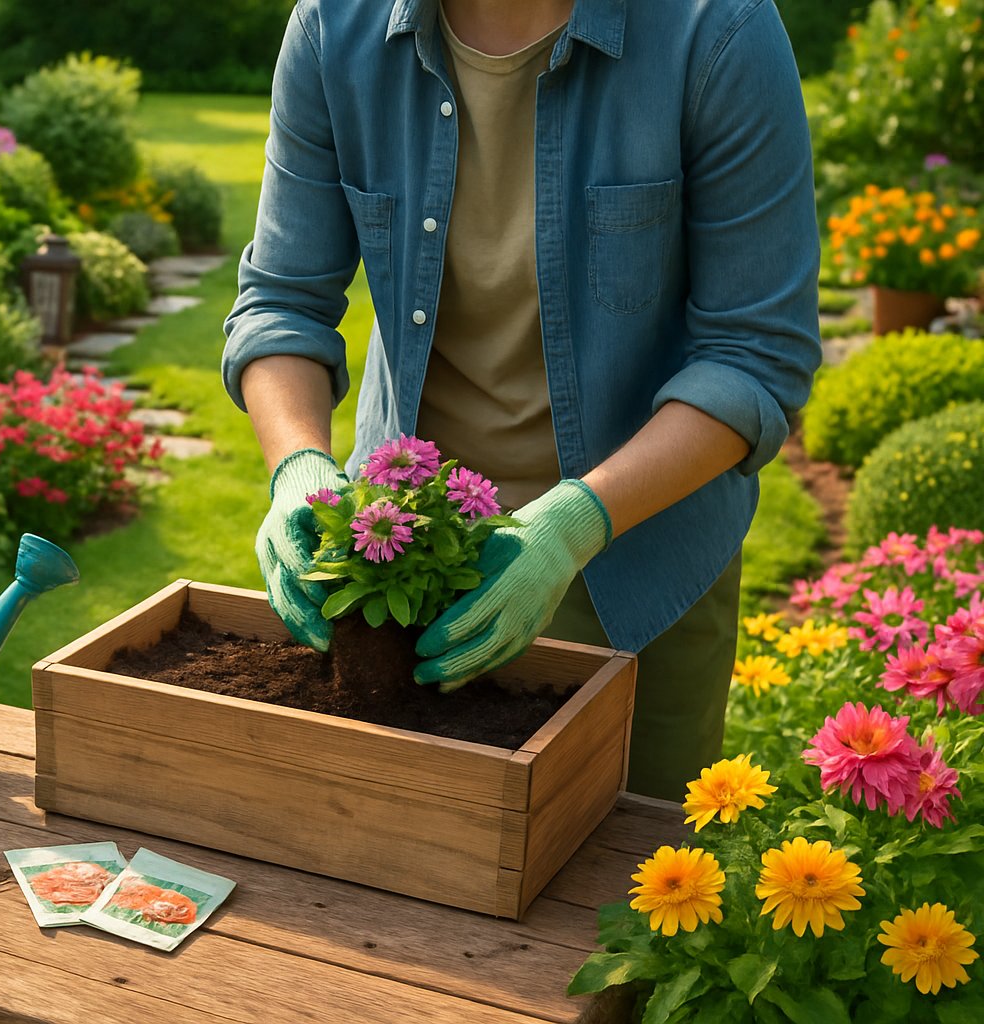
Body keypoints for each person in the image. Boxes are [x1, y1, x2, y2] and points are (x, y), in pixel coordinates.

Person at [221, 0, 822, 800]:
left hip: (639, 560)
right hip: (407, 561)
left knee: (633, 894)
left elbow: (755, 354)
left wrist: (572, 525)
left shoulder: (716, 31)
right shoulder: (336, 27)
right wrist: (298, 465)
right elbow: (281, 303)